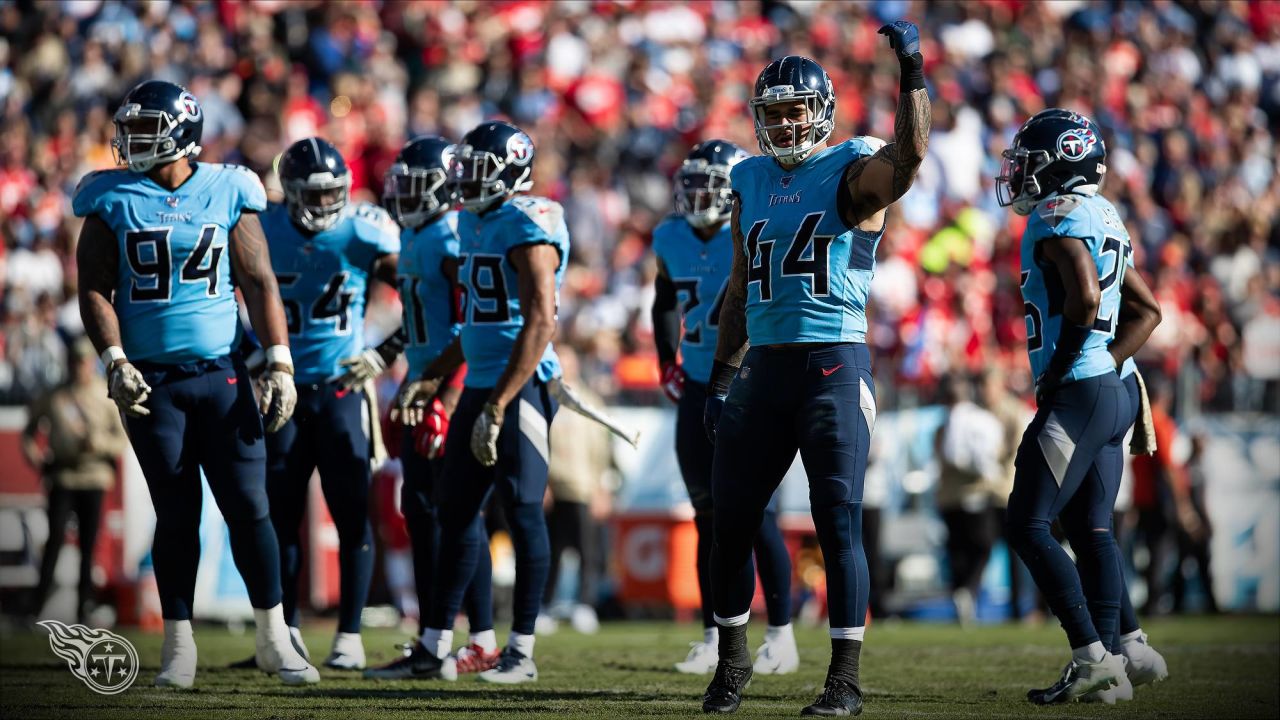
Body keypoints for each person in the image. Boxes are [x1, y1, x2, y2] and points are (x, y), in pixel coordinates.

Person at [700, 22, 931, 716]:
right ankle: (733, 664)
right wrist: (718, 376)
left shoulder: (852, 167)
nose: (786, 123)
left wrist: (912, 72)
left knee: (837, 519)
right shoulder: (747, 176)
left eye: (796, 110)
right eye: (773, 113)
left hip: (834, 362)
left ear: (822, 111)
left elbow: (911, 154)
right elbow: (741, 287)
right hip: (765, 368)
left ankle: (845, 682)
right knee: (730, 521)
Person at [73, 80, 316, 687]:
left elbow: (258, 281)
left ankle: (273, 639)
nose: (131, 140)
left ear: (182, 133)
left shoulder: (228, 187)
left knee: (250, 509)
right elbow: (93, 288)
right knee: (175, 514)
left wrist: (280, 360)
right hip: (151, 383)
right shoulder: (111, 196)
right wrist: (114, 359)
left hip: (221, 372)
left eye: (146, 127)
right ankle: (178, 647)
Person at [393, 121, 568, 684]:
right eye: (461, 169)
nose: (463, 180)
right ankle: (435, 644)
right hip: (479, 386)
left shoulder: (528, 221)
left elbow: (539, 320)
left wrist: (499, 403)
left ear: (511, 170)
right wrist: (433, 376)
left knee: (520, 510)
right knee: (453, 511)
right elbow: (474, 325)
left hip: (524, 387)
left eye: (475, 170)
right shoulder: (470, 220)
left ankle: (520, 651)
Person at [996, 108, 1155, 703]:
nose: (1021, 176)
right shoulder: (1106, 215)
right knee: (1091, 529)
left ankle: (1093, 658)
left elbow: (1086, 297)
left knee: (1027, 524)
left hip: (1082, 393)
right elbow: (1149, 312)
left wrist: (1067, 372)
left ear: (1061, 163)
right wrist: (1106, 366)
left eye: (1031, 164)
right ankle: (1129, 649)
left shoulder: (1056, 214)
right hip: (1113, 392)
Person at [246, 136, 400, 671]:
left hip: (341, 389)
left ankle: (350, 637)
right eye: (313, 194)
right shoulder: (261, 227)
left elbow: (424, 294)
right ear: (286, 191)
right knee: (279, 517)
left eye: (334, 192)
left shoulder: (362, 229)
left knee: (354, 514)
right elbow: (219, 295)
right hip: (284, 389)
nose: (324, 205)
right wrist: (253, 354)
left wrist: (387, 351)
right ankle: (284, 634)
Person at [651, 139, 797, 676]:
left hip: (747, 381)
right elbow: (665, 299)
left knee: (756, 514)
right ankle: (714, 636)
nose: (696, 194)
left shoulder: (758, 226)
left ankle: (781, 635)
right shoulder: (668, 236)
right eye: (690, 183)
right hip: (695, 381)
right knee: (706, 515)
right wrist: (666, 358)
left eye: (709, 183)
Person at [358, 135, 499, 679]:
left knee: (461, 515)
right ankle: (430, 639)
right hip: (419, 386)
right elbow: (422, 322)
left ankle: (480, 636)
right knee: (420, 513)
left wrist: (448, 398)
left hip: (447, 390)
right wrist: (387, 353)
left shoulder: (451, 238)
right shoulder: (417, 236)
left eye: (414, 185)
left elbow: (471, 327)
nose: (404, 196)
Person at [21, 337, 127, 623]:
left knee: (89, 544)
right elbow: (29, 432)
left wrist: (99, 444)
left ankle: (85, 605)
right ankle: (37, 604)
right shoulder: (56, 395)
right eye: (73, 361)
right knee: (54, 539)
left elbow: (121, 440)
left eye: (82, 361)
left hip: (94, 476)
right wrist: (37, 457)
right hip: (63, 475)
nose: (77, 367)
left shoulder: (104, 395)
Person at [540, 346, 609, 636]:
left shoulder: (590, 401)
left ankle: (584, 604)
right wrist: (542, 483)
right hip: (554, 485)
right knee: (549, 551)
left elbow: (602, 449)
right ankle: (543, 606)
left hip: (583, 487)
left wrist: (601, 487)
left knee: (586, 550)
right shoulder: (546, 399)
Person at [933, 375, 1004, 627]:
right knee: (980, 546)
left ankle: (963, 592)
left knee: (960, 548)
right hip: (972, 493)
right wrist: (988, 472)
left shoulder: (947, 423)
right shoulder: (976, 419)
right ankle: (966, 591)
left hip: (951, 495)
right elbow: (966, 456)